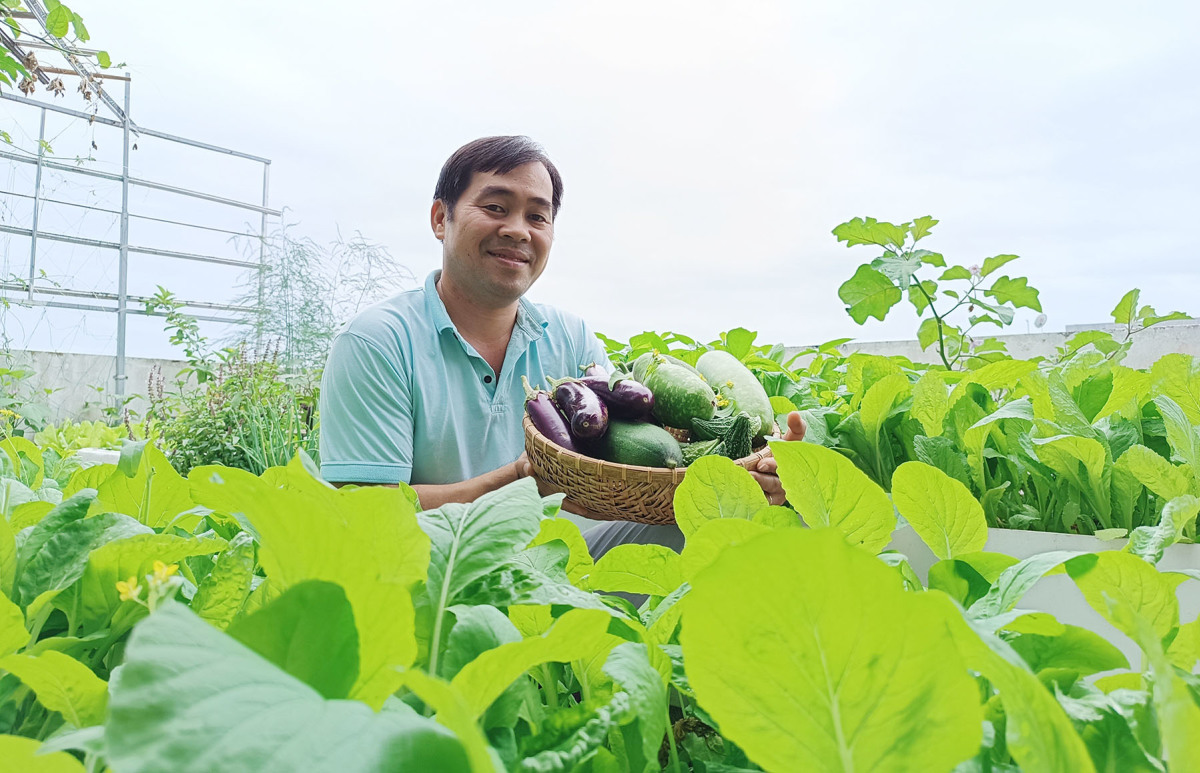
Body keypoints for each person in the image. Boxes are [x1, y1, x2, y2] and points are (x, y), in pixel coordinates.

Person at [318, 135, 804, 557]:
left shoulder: (570, 337)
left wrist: (745, 469)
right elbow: (365, 512)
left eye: (537, 216)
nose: (518, 230)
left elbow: (632, 464)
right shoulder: (377, 342)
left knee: (736, 527)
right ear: (440, 218)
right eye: (495, 207)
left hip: (567, 565)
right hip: (442, 572)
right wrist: (521, 482)